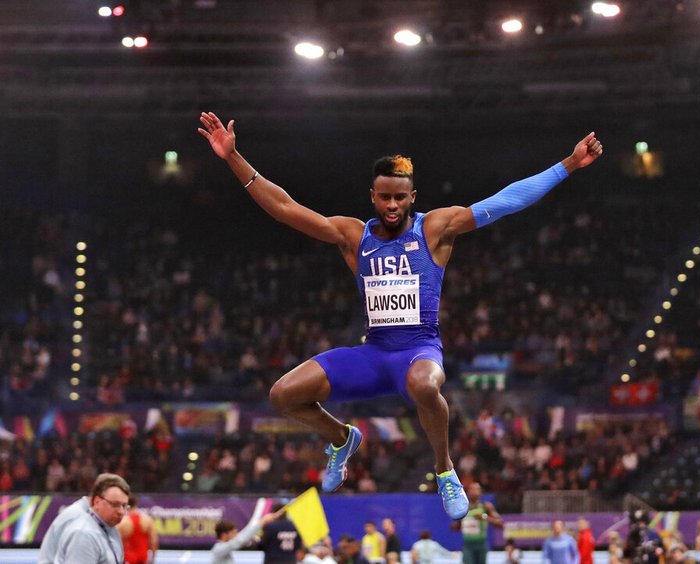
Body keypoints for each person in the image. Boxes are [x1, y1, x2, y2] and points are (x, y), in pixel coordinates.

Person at [198, 111, 603, 519]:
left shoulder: (435, 230)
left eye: (400, 198)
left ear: (413, 197)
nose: (392, 205)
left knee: (424, 385)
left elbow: (505, 201)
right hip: (374, 355)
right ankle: (341, 439)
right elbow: (285, 208)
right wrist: (233, 158)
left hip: (419, 350)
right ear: (372, 196)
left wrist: (568, 164)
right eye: (384, 197)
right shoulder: (352, 235)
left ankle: (445, 470)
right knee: (282, 395)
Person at [38, 473, 128, 564]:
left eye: (124, 506)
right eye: (114, 504)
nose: (121, 512)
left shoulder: (106, 523)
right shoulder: (80, 525)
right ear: (97, 501)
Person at [451, 482, 503, 564]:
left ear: (481, 492)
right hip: (467, 544)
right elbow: (456, 526)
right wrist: (457, 525)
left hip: (481, 544)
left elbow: (500, 523)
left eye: (477, 489)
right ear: (467, 491)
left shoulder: (486, 506)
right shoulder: (463, 508)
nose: (474, 491)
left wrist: (484, 517)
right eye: (472, 489)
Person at [212, 513, 277, 564]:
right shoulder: (219, 550)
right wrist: (262, 521)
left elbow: (241, 537)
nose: (236, 535)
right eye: (233, 533)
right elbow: (240, 540)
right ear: (224, 535)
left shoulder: (223, 549)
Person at [117, 494, 158, 564]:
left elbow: (116, 544)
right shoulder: (147, 520)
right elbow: (154, 542)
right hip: (143, 559)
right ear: (136, 504)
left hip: (128, 560)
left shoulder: (122, 523)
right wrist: (153, 559)